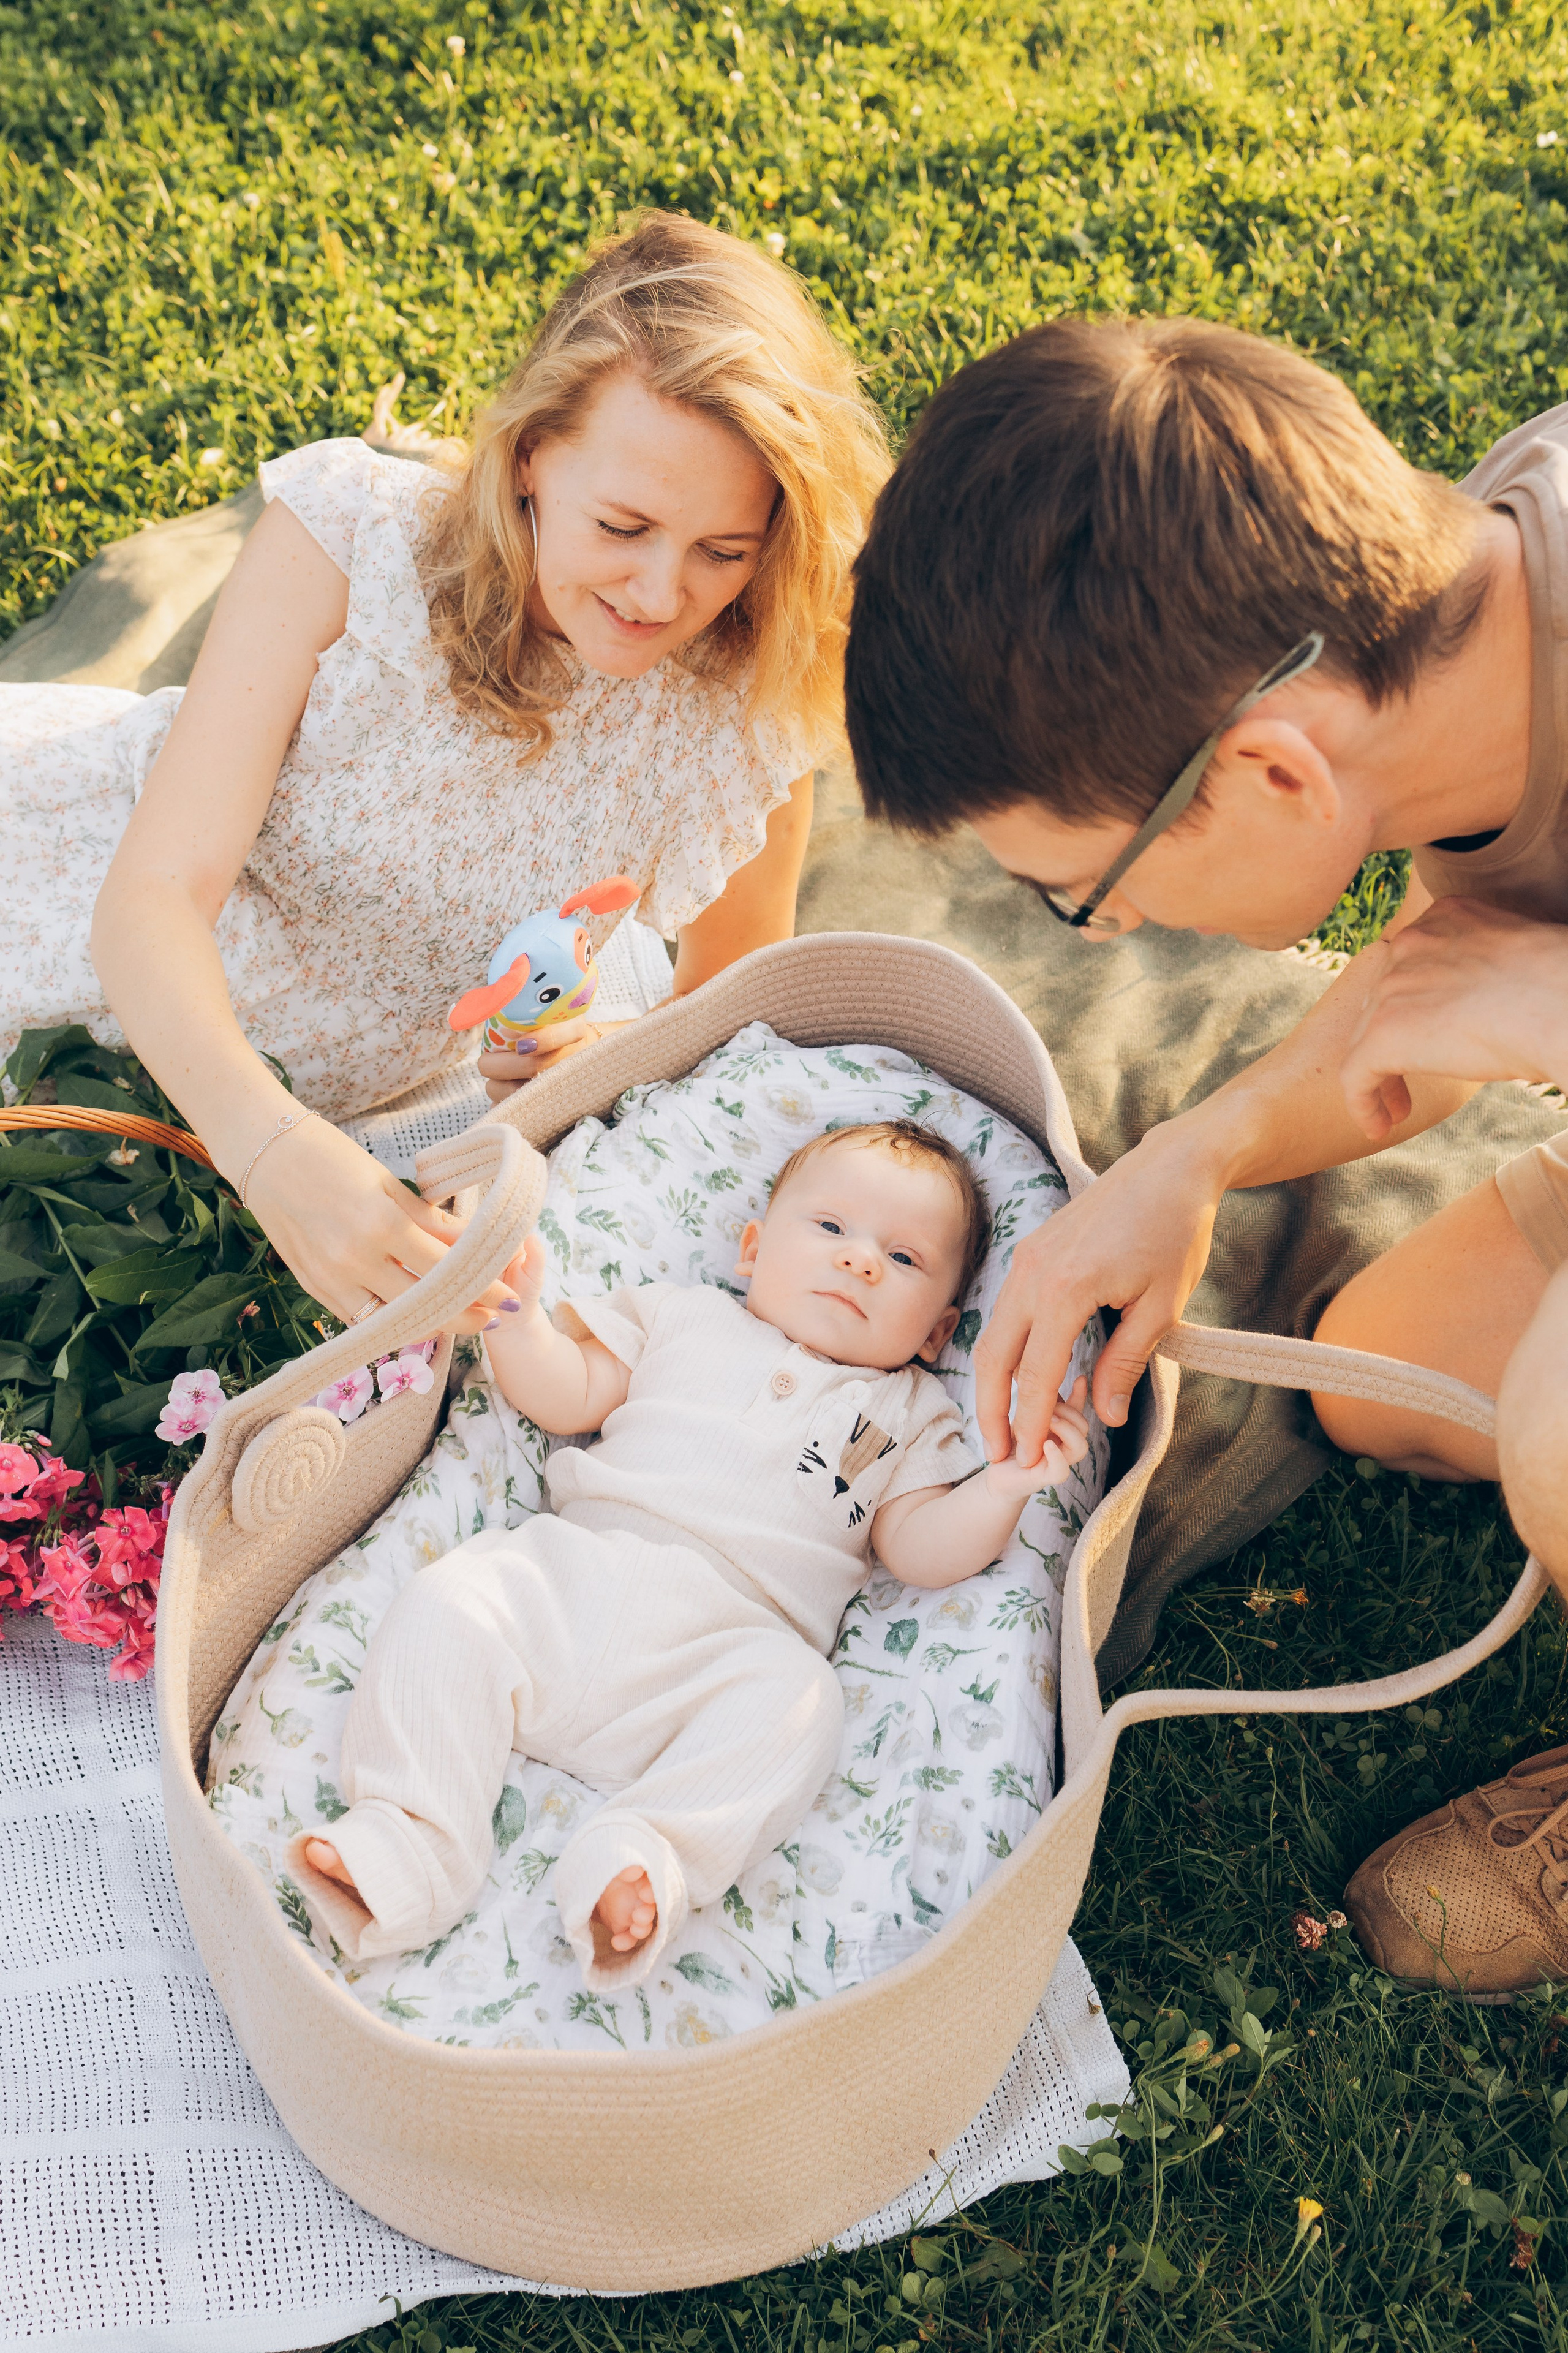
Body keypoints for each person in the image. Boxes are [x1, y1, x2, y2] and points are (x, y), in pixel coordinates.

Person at [843, 315, 1568, 1997]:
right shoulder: (1463, 636)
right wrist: (1197, 1153)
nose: (1105, 933)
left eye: (1078, 892)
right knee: (1386, 1378)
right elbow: (1425, 1008)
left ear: (1264, 769)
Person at [2, 212, 889, 1337]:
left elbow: (722, 1023)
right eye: (622, 525)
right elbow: (150, 901)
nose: (662, 593)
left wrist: (582, 1056)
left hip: (317, 1109)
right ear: (529, 456)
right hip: (65, 906)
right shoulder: (351, 545)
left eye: (724, 550)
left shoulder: (745, 706)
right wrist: (273, 1153)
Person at [291, 1120, 1091, 1985]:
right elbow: (570, 1396)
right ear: (752, 1248)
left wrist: (1005, 1483)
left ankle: (641, 1851)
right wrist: (516, 1321)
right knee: (453, 1601)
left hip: (724, 1659)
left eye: (903, 1259)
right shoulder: (682, 1314)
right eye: (831, 1229)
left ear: (937, 1332)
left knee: (804, 1705)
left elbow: (922, 1549)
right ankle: (413, 1842)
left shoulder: (909, 1412)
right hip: (570, 1583)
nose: (861, 1260)